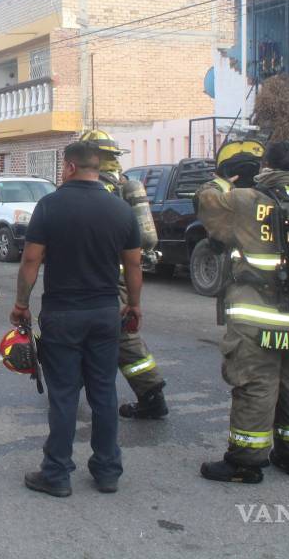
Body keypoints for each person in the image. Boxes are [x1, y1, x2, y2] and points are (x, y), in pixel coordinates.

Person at [195, 141, 289, 484]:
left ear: (266, 168)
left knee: (256, 384)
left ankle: (245, 461)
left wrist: (224, 178)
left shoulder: (244, 201)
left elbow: (205, 202)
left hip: (259, 317)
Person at [11, 141, 143, 497]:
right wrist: (134, 305)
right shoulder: (120, 209)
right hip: (105, 314)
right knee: (103, 392)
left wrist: (21, 304)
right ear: (96, 168)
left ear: (69, 167)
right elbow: (134, 264)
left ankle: (56, 473)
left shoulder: (50, 206)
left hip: (63, 314)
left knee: (65, 394)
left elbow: (31, 261)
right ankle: (107, 471)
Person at [77, 129, 168, 420]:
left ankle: (151, 395)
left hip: (97, 277)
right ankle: (149, 393)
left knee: (113, 336)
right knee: (116, 332)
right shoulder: (125, 185)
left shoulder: (92, 190)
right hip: (122, 276)